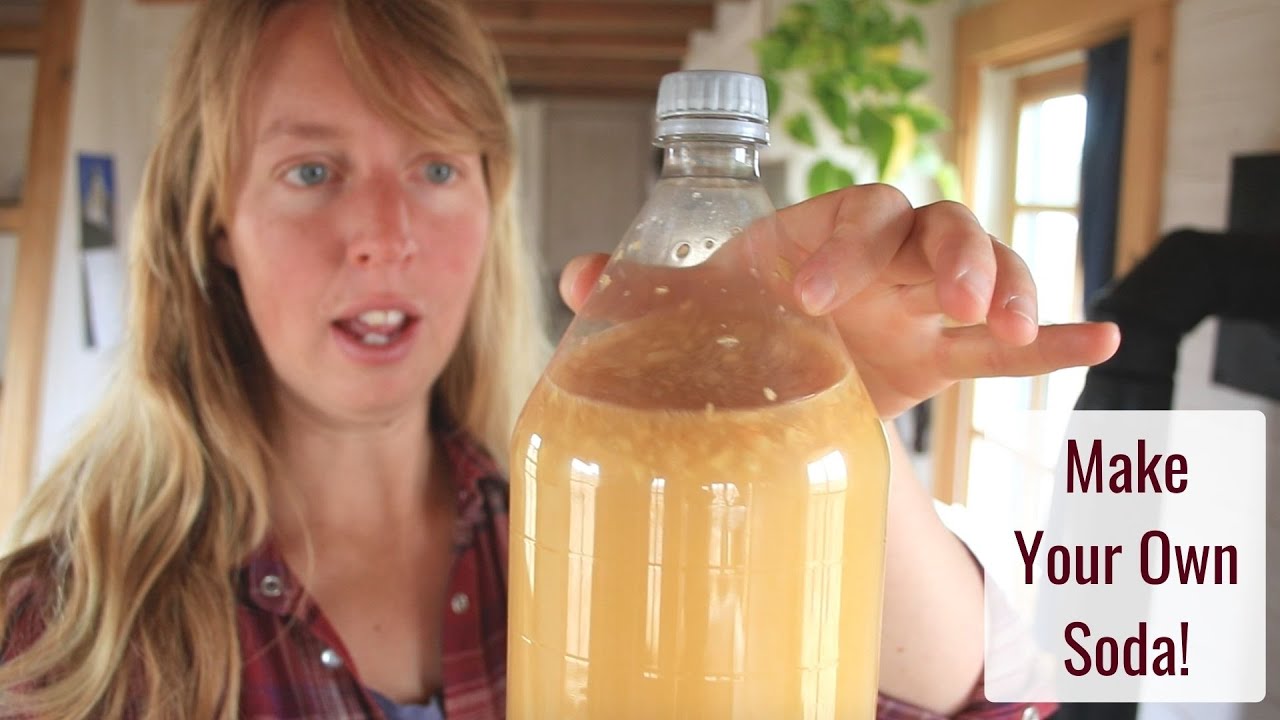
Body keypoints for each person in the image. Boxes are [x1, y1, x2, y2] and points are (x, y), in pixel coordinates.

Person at [0, 0, 1120, 718]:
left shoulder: (616, 505)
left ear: (490, 205)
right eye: (311, 171)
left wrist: (835, 427)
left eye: (437, 167)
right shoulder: (59, 640)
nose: (385, 231)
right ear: (211, 224)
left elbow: (979, 706)